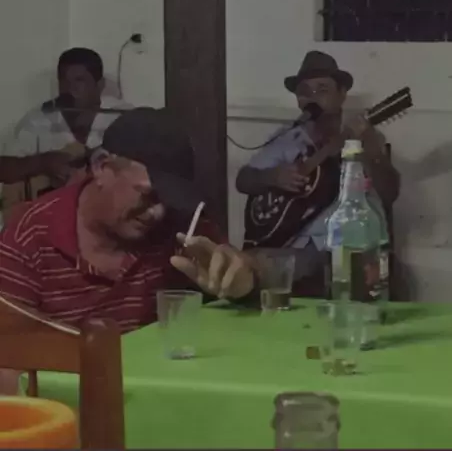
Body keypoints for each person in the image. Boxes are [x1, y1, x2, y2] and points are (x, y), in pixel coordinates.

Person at [0, 107, 259, 336]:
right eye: (147, 195)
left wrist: (244, 281)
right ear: (102, 167)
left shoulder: (180, 224)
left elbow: (248, 271)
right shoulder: (31, 233)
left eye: (168, 200)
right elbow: (9, 355)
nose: (157, 213)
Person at [236, 51, 400, 294]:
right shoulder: (287, 139)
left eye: (322, 90)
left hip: (350, 245)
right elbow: (243, 180)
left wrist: (371, 152)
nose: (312, 97)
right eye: (304, 92)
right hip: (294, 245)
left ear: (341, 94)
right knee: (239, 266)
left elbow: (390, 193)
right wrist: (273, 177)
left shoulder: (365, 138)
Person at [0, 47, 130, 216]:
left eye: (79, 80)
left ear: (99, 85)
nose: (70, 89)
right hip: (52, 214)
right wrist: (43, 163)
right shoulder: (40, 118)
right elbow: (4, 168)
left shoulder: (122, 116)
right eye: (64, 81)